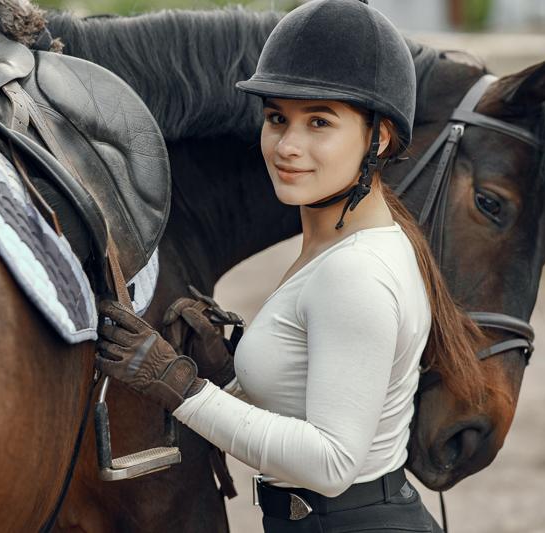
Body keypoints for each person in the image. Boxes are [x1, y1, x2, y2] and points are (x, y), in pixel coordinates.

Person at [96, 0, 493, 530]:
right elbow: (307, 405)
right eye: (276, 118)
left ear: (379, 137)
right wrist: (220, 375)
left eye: (319, 122)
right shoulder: (347, 244)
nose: (288, 146)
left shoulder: (354, 272)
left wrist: (178, 387)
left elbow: (330, 463)